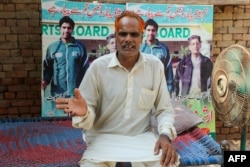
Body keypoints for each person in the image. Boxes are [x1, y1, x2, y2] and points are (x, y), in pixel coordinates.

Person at [56, 11, 179, 167]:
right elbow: (89, 117)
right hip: (103, 139)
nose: (128, 39)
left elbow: (164, 110)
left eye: (134, 34)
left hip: (141, 139)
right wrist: (85, 112)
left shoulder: (155, 66)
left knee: (169, 163)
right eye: (123, 34)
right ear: (116, 36)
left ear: (141, 37)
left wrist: (165, 135)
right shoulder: (98, 68)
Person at [41, 16, 89, 116]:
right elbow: (48, 68)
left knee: (74, 120)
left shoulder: (80, 47)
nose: (66, 30)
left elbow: (85, 70)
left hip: (75, 92)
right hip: (57, 93)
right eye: (64, 27)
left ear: (72, 29)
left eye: (69, 28)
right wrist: (45, 80)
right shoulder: (53, 47)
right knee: (58, 119)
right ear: (60, 28)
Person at [140, 19, 174, 97]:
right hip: (143, 88)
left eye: (153, 30)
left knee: (160, 109)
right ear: (144, 31)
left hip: (159, 88)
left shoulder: (163, 49)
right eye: (148, 30)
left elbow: (168, 69)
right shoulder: (140, 49)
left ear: (156, 32)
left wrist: (169, 88)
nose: (150, 33)